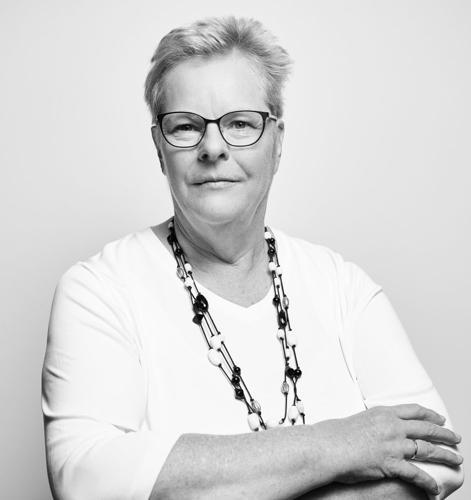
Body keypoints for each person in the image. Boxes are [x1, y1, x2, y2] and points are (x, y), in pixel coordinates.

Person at [42, 16, 464, 500]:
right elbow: (85, 479)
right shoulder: (98, 290)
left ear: (277, 142)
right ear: (159, 148)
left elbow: (439, 460)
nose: (213, 148)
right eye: (186, 127)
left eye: (240, 123)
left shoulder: (341, 286)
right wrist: (341, 443)